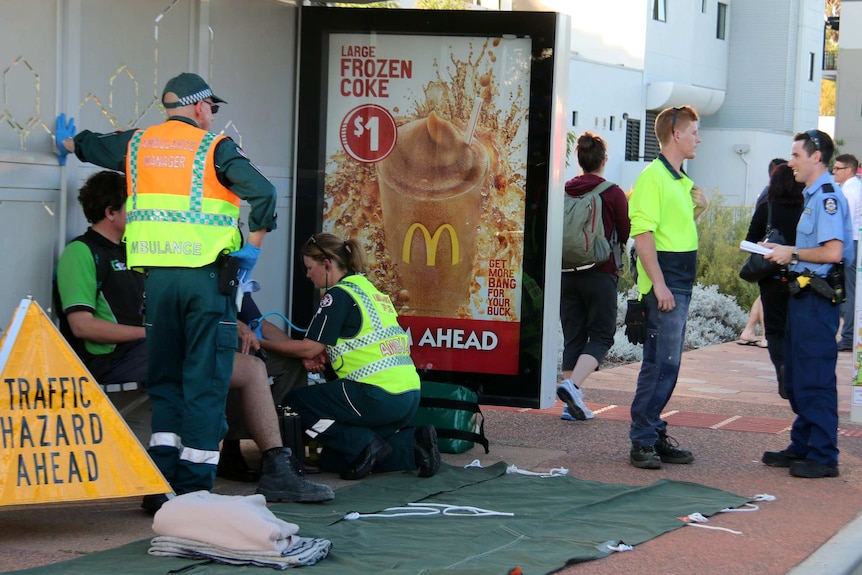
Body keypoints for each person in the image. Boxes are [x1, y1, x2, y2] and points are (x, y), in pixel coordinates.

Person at [55, 72, 316, 511]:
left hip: (157, 283)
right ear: (199, 107)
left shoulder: (138, 144)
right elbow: (264, 194)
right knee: (205, 381)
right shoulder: (215, 147)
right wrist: (252, 249)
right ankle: (195, 490)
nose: (211, 116)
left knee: (166, 380)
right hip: (204, 282)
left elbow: (93, 146)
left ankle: (163, 486)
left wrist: (67, 144)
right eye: (212, 109)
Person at [265, 233, 441, 480]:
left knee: (295, 405)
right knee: (335, 459)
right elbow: (360, 340)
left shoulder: (337, 295)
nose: (307, 275)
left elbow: (309, 348)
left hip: (376, 395)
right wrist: (326, 353)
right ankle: (413, 444)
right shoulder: (369, 290)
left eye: (309, 268)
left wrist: (262, 343)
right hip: (408, 395)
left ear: (326, 264)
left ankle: (363, 443)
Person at [761, 129, 852, 479]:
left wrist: (792, 252)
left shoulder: (827, 196)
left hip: (818, 298)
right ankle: (803, 444)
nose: (791, 162)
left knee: (814, 376)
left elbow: (833, 252)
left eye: (796, 155)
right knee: (799, 374)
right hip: (805, 296)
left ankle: (824, 454)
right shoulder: (813, 195)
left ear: (817, 158)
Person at [627, 105, 708, 469]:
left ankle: (653, 432)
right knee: (661, 364)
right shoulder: (653, 177)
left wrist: (699, 211)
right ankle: (642, 440)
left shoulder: (678, 178)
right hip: (668, 281)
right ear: (676, 134)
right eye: (693, 131)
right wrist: (659, 285)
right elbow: (643, 236)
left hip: (679, 280)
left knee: (668, 364)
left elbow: (671, 230)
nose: (698, 138)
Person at [557, 132, 630, 421]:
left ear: (580, 160)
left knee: (574, 336)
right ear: (603, 160)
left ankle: (570, 405)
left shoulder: (563, 190)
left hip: (566, 272)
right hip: (600, 272)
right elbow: (624, 232)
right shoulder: (612, 192)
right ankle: (572, 387)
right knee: (601, 335)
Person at [743, 163, 805, 399]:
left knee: (775, 331)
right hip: (801, 278)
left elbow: (749, 241)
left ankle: (782, 367)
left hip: (771, 277)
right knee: (796, 328)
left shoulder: (766, 207)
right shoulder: (806, 208)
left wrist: (763, 247)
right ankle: (795, 371)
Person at [834, 154, 860, 351]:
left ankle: (849, 336)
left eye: (838, 168)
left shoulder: (850, 191)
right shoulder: (854, 188)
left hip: (851, 241)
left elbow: (845, 222)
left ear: (849, 170)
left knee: (849, 291)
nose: (834, 172)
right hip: (854, 240)